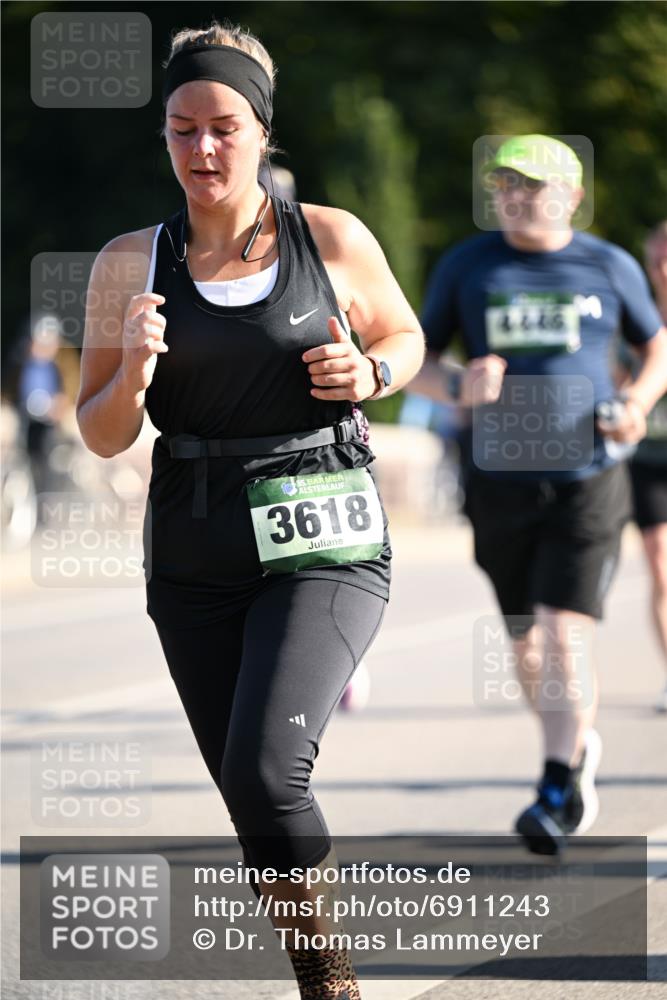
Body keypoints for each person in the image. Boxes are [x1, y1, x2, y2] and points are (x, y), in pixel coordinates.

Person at [75, 20, 424, 1000]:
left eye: (224, 126)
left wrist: (374, 368)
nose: (204, 151)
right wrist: (135, 370)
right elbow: (101, 433)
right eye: (182, 130)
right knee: (246, 789)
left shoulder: (331, 236)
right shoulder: (126, 264)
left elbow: (406, 334)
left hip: (324, 525)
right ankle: (316, 952)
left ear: (261, 132)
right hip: (192, 541)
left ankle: (328, 979)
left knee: (270, 774)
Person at [409, 135, 667, 855]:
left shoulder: (609, 264)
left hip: (587, 474)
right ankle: (575, 745)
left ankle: (554, 785)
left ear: (572, 195)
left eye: (534, 184)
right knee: (525, 641)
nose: (517, 196)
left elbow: (656, 346)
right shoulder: (467, 264)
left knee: (562, 631)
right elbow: (416, 360)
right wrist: (458, 385)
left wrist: (639, 399)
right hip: (495, 481)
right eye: (505, 184)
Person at [619, 221, 667, 712]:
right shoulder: (633, 316)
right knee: (660, 564)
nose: (665, 270)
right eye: (656, 260)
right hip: (649, 457)